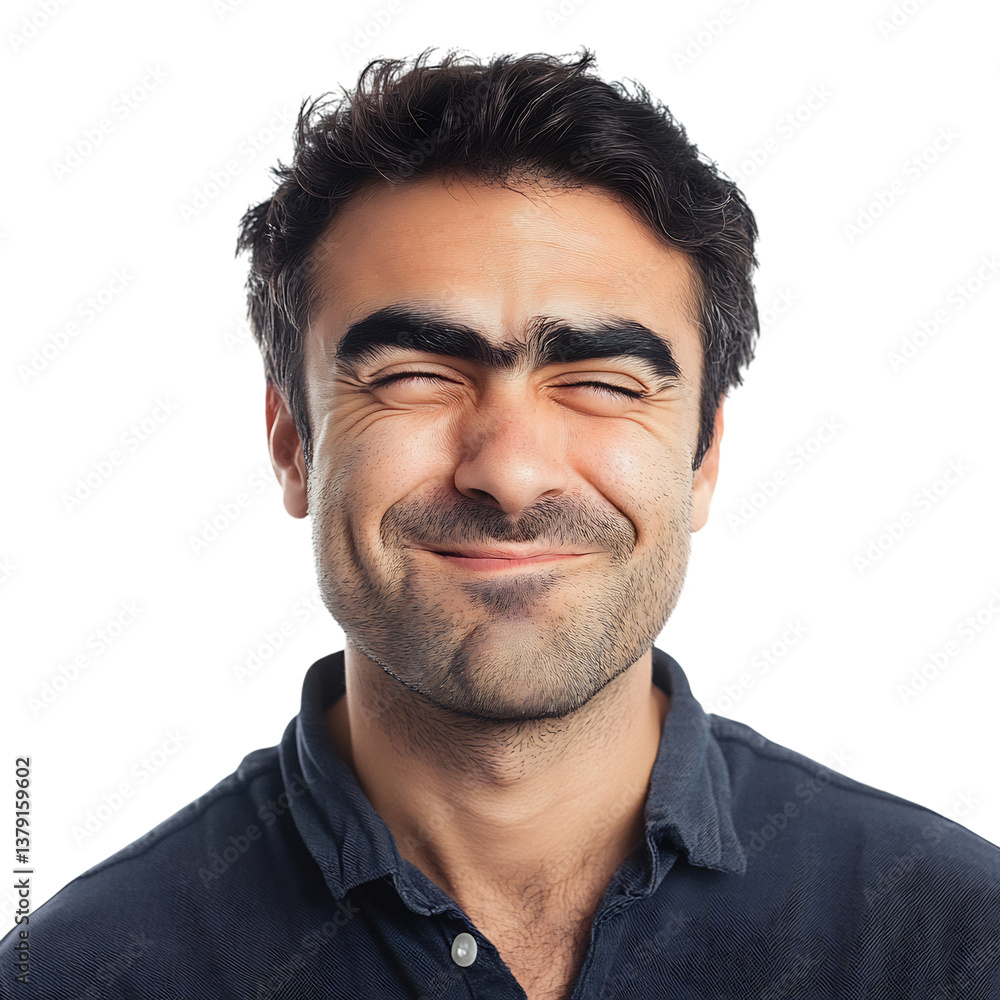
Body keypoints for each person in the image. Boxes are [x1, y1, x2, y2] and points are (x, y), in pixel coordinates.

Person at [4, 47, 999, 1000]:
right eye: (416, 377)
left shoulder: (958, 939)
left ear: (703, 457)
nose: (512, 474)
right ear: (290, 441)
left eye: (602, 383)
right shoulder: (77, 974)